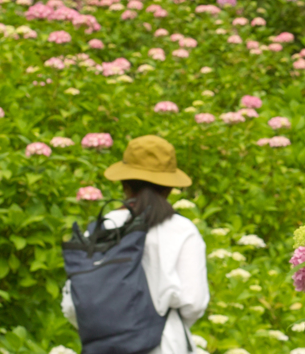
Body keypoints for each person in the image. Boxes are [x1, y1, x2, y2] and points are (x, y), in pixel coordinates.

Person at [62, 135, 209, 354]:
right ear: (169, 187)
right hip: (166, 344)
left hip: (104, 346)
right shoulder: (182, 230)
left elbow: (73, 303)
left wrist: (112, 329)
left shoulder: (103, 227)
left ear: (124, 183)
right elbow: (194, 302)